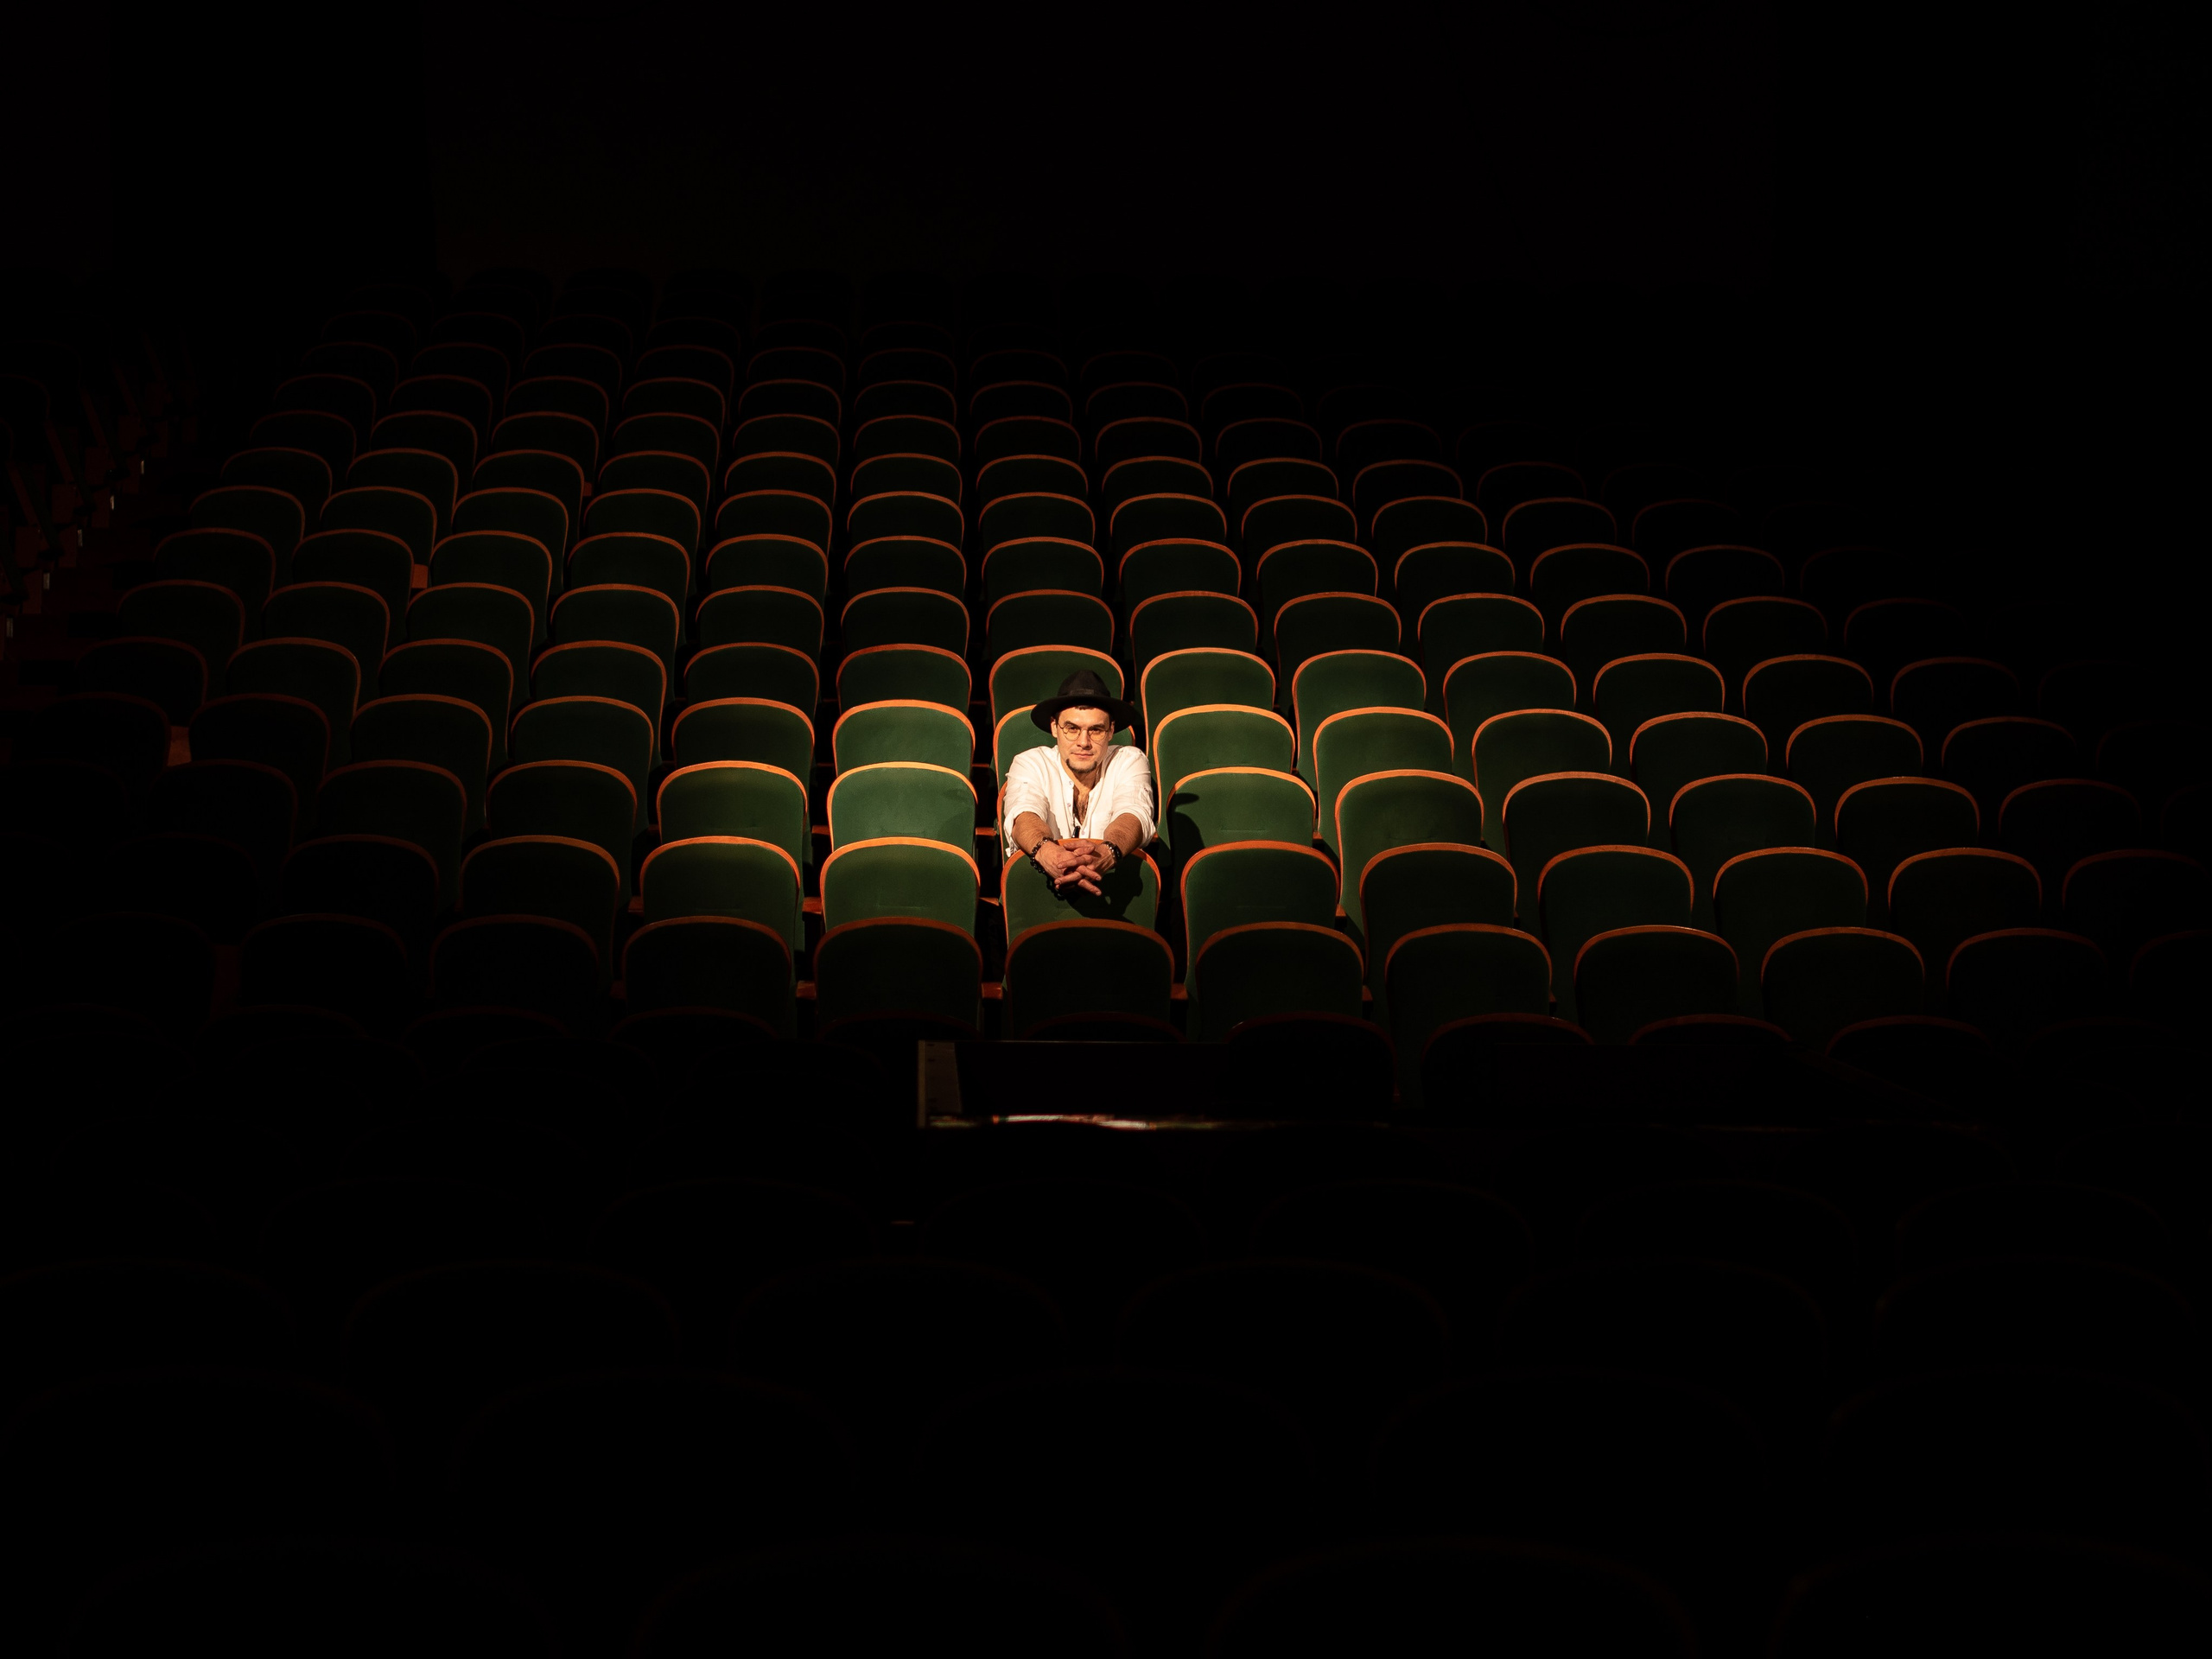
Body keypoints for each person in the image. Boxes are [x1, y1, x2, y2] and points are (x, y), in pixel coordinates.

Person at [1001, 670, 1156, 896]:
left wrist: (1107, 853)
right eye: (1072, 729)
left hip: (1114, 897)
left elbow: (1133, 814)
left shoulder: (1130, 760)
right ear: (1055, 727)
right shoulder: (1030, 762)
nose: (1084, 742)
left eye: (1096, 730)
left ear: (1111, 730)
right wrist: (1050, 855)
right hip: (1040, 897)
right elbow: (1023, 815)